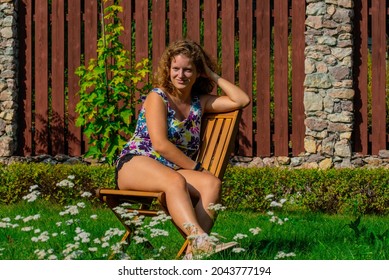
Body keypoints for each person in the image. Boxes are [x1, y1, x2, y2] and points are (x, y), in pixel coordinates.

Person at [116, 39, 250, 259]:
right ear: (168, 70)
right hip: (136, 163)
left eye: (188, 70)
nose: (181, 75)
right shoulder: (157, 97)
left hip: (171, 170)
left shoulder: (200, 103)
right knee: (175, 180)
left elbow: (242, 99)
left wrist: (212, 74)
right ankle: (201, 242)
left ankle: (192, 255)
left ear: (198, 73)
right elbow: (160, 144)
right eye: (175, 69)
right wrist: (196, 167)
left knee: (212, 183)